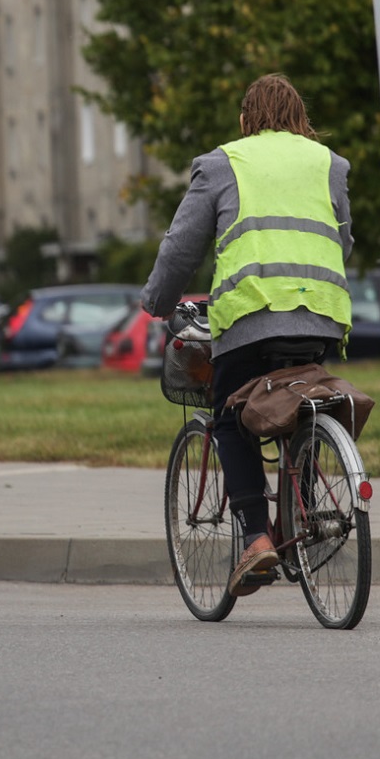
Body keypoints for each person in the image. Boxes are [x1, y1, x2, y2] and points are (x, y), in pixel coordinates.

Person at [140, 74, 353, 597]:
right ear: (301, 118)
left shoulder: (221, 164)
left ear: (245, 120)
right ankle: (304, 522)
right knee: (304, 405)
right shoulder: (330, 164)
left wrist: (157, 303)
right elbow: (342, 241)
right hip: (320, 314)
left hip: (251, 317)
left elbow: (180, 249)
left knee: (231, 415)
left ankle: (257, 538)